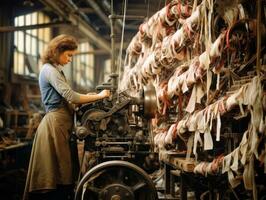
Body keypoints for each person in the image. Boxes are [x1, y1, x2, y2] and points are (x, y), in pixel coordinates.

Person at [23, 34, 110, 200]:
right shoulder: (49, 70)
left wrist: (89, 96)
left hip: (62, 124)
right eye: (69, 55)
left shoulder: (56, 71)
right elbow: (71, 96)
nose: (70, 59)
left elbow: (69, 99)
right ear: (57, 51)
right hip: (55, 125)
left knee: (64, 172)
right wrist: (99, 96)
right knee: (56, 174)